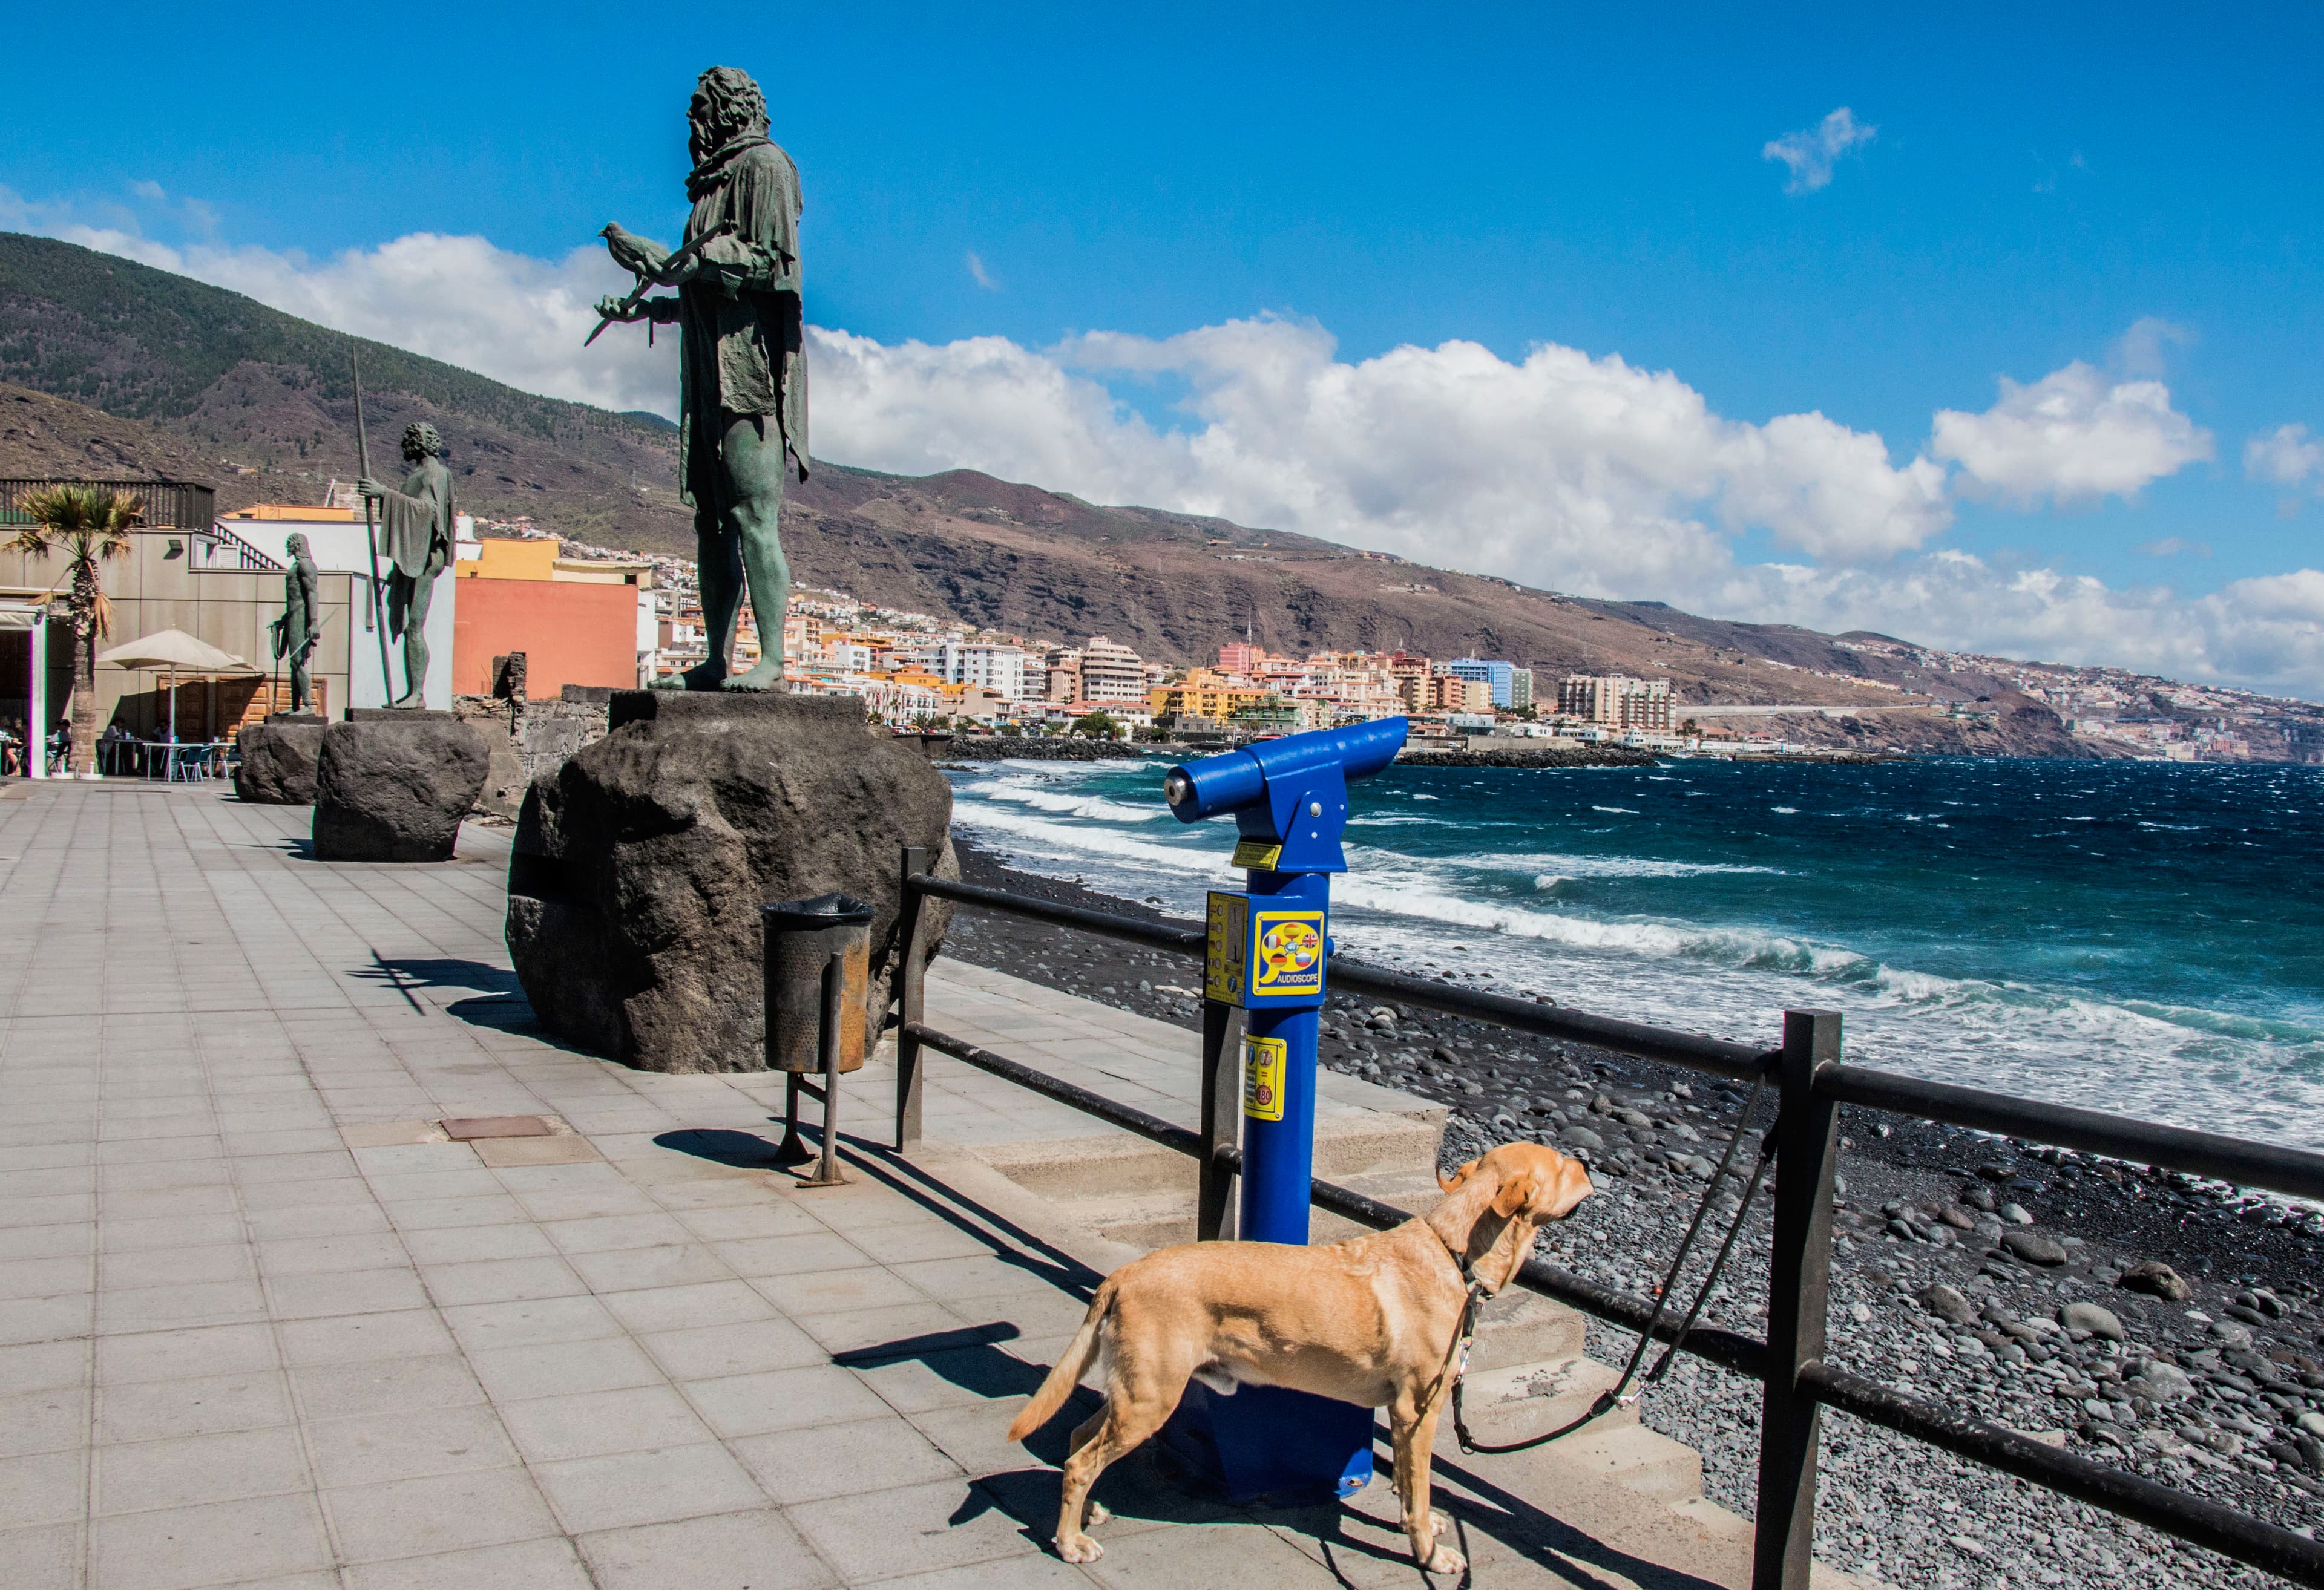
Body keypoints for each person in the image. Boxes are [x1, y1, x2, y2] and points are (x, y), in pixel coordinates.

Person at [594, 66, 806, 692]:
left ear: (724, 112)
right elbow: (705, 296)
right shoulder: (709, 188)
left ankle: (770, 661)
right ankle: (717, 659)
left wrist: (684, 261)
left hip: (750, 377)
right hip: (708, 380)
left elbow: (773, 266)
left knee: (752, 517)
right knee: (711, 524)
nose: (691, 128)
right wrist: (653, 303)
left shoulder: (766, 168)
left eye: (698, 115)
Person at [355, 424, 455, 708]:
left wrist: (384, 493)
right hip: (414, 560)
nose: (405, 443)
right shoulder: (417, 475)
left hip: (426, 561)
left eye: (410, 439)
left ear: (422, 442)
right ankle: (413, 692)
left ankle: (418, 694)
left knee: (415, 627)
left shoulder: (435, 473)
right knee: (412, 626)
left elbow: (429, 511)